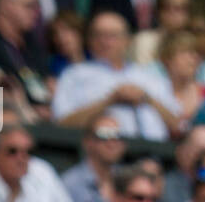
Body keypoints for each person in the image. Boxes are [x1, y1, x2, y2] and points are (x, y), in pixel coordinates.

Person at [52, 10, 181, 139]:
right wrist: (109, 101)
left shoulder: (150, 76)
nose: (104, 41)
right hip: (100, 149)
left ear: (127, 40)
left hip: (155, 153)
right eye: (98, 35)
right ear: (89, 40)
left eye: (112, 36)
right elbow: (61, 123)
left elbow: (177, 125)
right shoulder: (75, 74)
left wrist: (146, 98)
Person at [0, 0, 51, 113]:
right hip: (2, 120)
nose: (37, 12)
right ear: (6, 6)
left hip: (44, 122)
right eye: (30, 5)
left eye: (38, 6)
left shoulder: (33, 44)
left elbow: (44, 83)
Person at [61, 113, 125, 202]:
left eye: (116, 136)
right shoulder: (70, 183)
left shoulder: (126, 180)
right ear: (88, 142)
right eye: (104, 136)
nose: (111, 143)